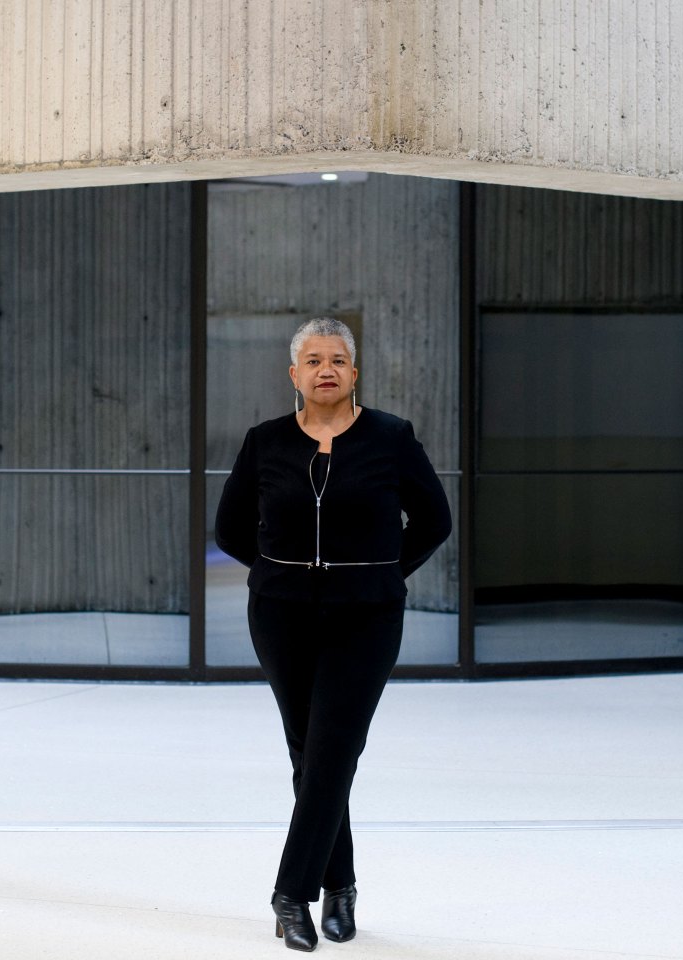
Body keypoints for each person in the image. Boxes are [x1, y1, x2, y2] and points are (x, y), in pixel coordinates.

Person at [215, 317, 453, 951]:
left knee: (332, 751)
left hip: (366, 616)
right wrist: (276, 573)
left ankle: (291, 894)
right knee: (309, 753)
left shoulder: (390, 437)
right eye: (313, 359)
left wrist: (381, 573)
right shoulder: (265, 441)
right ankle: (341, 886)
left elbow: (434, 519)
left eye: (338, 359)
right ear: (295, 375)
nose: (327, 369)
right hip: (282, 614)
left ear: (355, 373)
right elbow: (230, 530)